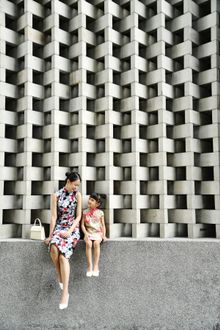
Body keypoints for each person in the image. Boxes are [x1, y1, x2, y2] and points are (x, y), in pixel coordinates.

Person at [44, 172, 82, 309]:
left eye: (78, 185)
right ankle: (59, 274)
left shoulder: (77, 195)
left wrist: (70, 232)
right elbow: (54, 217)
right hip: (60, 227)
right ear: (68, 181)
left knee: (63, 257)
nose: (76, 188)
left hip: (72, 229)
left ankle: (65, 293)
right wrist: (50, 235)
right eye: (75, 185)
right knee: (53, 247)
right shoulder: (56, 196)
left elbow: (78, 217)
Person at [81, 193, 107, 277]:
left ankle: (96, 265)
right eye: (89, 199)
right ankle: (89, 266)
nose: (89, 201)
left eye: (92, 200)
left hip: (97, 233)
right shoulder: (85, 212)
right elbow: (82, 225)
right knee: (88, 243)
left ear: (97, 204)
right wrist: (85, 234)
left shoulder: (100, 213)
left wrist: (104, 235)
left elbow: (103, 225)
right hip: (88, 232)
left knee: (96, 243)